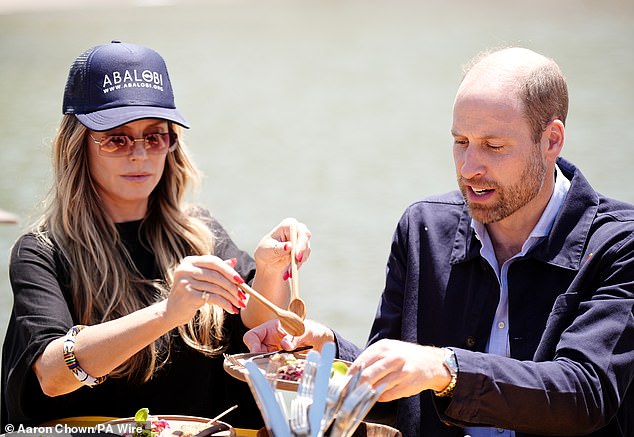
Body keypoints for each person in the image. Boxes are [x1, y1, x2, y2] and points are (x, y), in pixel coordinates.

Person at [243, 47, 634, 437]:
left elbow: (585, 392)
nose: (469, 167)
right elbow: (395, 396)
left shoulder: (620, 243)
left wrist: (445, 369)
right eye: (461, 141)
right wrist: (327, 347)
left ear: (552, 141)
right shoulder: (422, 227)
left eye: (493, 146)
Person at [0, 40, 311, 429]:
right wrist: (167, 313)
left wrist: (269, 270)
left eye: (155, 135)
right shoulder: (42, 252)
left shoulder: (202, 233)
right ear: (78, 147)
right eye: (116, 138)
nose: (140, 154)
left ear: (171, 144)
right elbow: (52, 375)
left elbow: (256, 330)